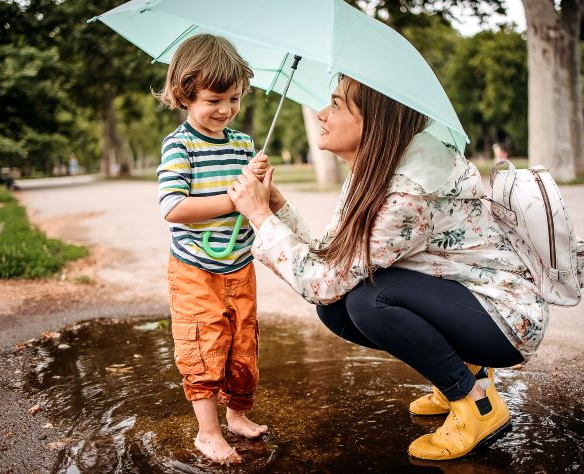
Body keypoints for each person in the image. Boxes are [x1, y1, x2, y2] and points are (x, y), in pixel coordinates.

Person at [228, 76, 549, 461]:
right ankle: (466, 372)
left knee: (369, 302)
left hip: (504, 319)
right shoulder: (377, 169)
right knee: (338, 309)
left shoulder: (408, 193)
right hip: (465, 300)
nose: (322, 114)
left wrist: (261, 218)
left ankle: (476, 404)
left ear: (373, 121)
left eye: (336, 105)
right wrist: (277, 206)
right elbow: (333, 257)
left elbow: (324, 282)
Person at [155, 34, 271, 464]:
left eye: (234, 98)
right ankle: (207, 432)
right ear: (186, 94)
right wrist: (232, 198)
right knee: (204, 342)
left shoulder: (242, 145)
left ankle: (237, 416)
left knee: (243, 342)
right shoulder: (180, 145)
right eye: (213, 99)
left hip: (238, 264)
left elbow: (255, 199)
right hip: (194, 268)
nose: (225, 110)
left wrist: (258, 180)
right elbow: (172, 207)